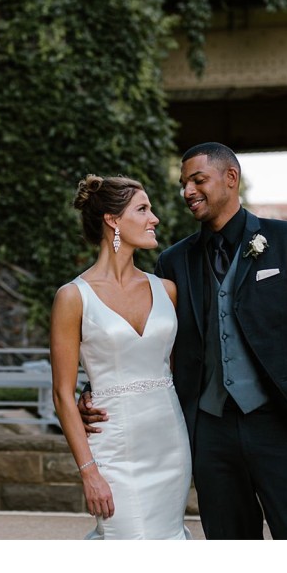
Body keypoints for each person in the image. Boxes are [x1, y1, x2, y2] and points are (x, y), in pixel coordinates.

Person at [81, 143, 287, 539]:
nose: (188, 191)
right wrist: (96, 388)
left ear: (231, 179)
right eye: (184, 183)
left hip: (284, 427)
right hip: (211, 434)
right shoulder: (174, 261)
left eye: (198, 180)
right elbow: (153, 341)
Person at [50, 174, 192, 539]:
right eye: (142, 209)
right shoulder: (72, 297)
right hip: (113, 448)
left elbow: (172, 369)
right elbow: (63, 394)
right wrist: (88, 471)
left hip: (170, 444)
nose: (154, 218)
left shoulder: (168, 291)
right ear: (113, 220)